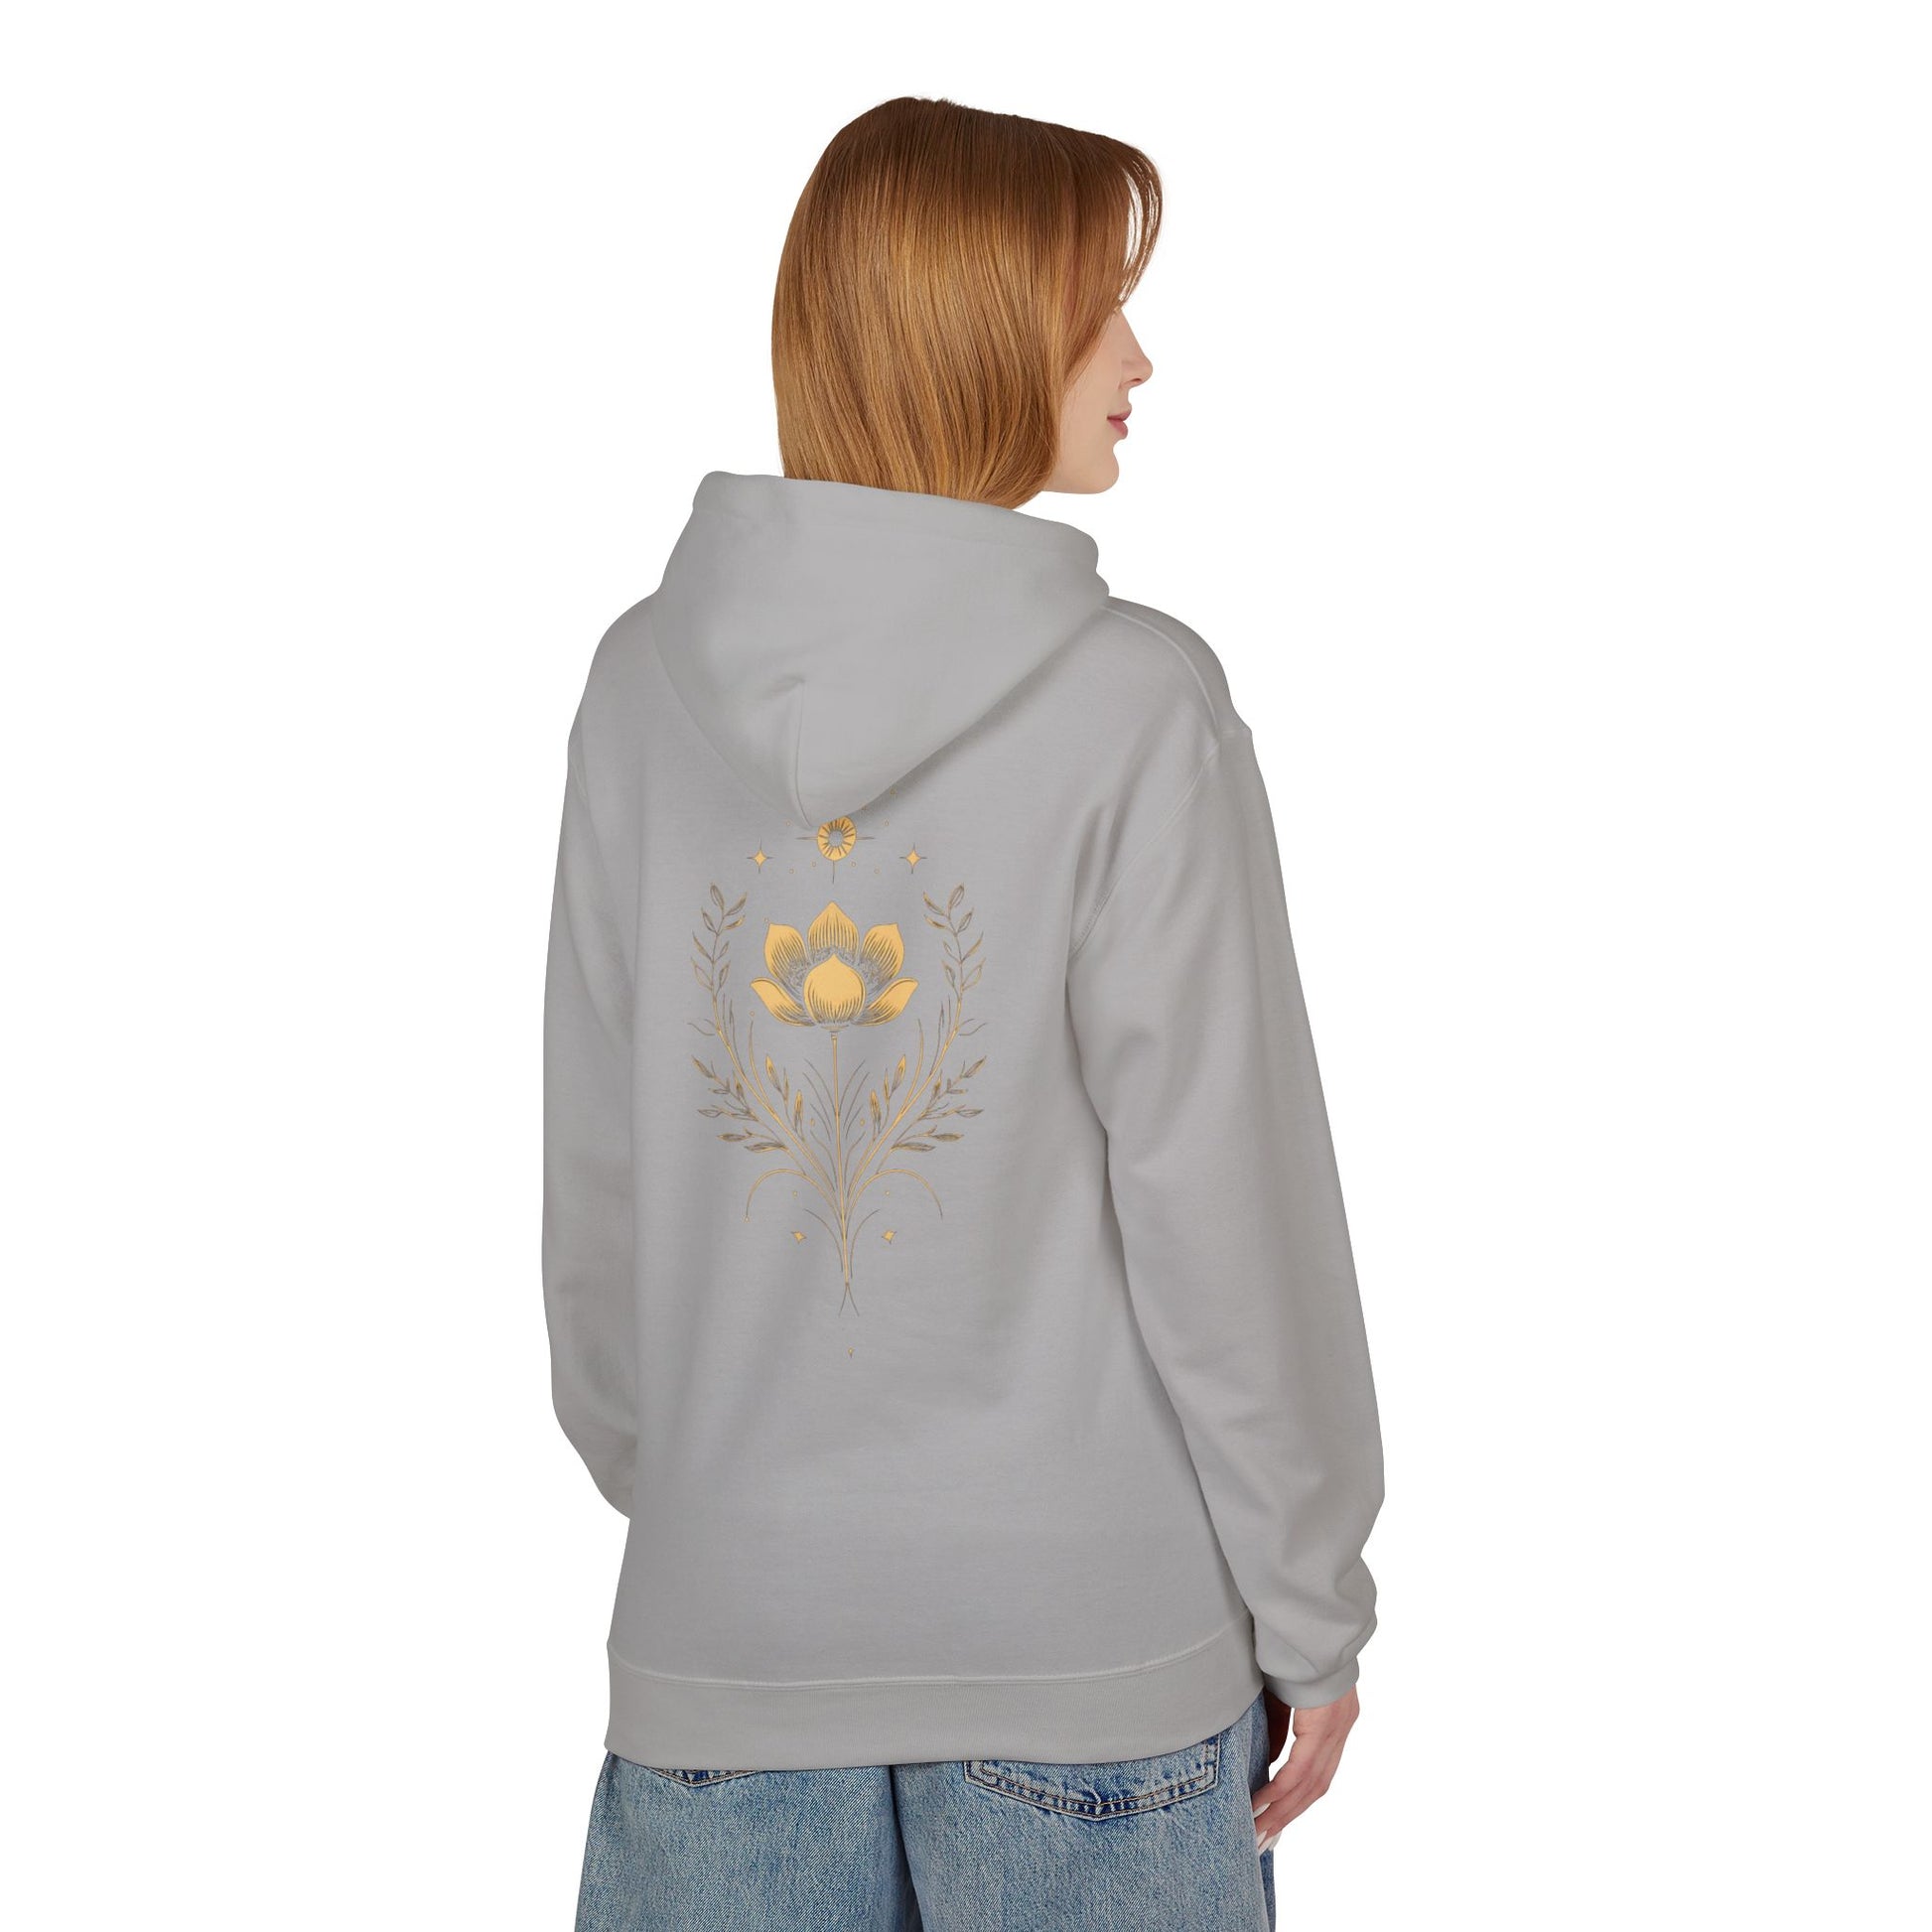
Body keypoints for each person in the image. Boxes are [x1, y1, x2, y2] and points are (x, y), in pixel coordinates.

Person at [544, 94, 1384, 1931]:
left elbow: (598, 1185)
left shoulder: (638, 684)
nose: (1138, 356)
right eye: (1097, 307)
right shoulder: (1134, 703)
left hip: (724, 1649)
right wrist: (1309, 1599)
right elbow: (1224, 1206)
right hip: (1089, 1662)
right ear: (980, 331)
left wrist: (725, 1508)